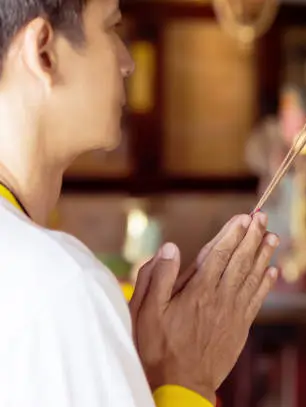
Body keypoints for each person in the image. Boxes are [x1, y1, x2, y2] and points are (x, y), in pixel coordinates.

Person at [0, 0, 280, 406]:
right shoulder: (60, 285)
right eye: (111, 28)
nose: (127, 61)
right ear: (43, 52)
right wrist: (185, 378)